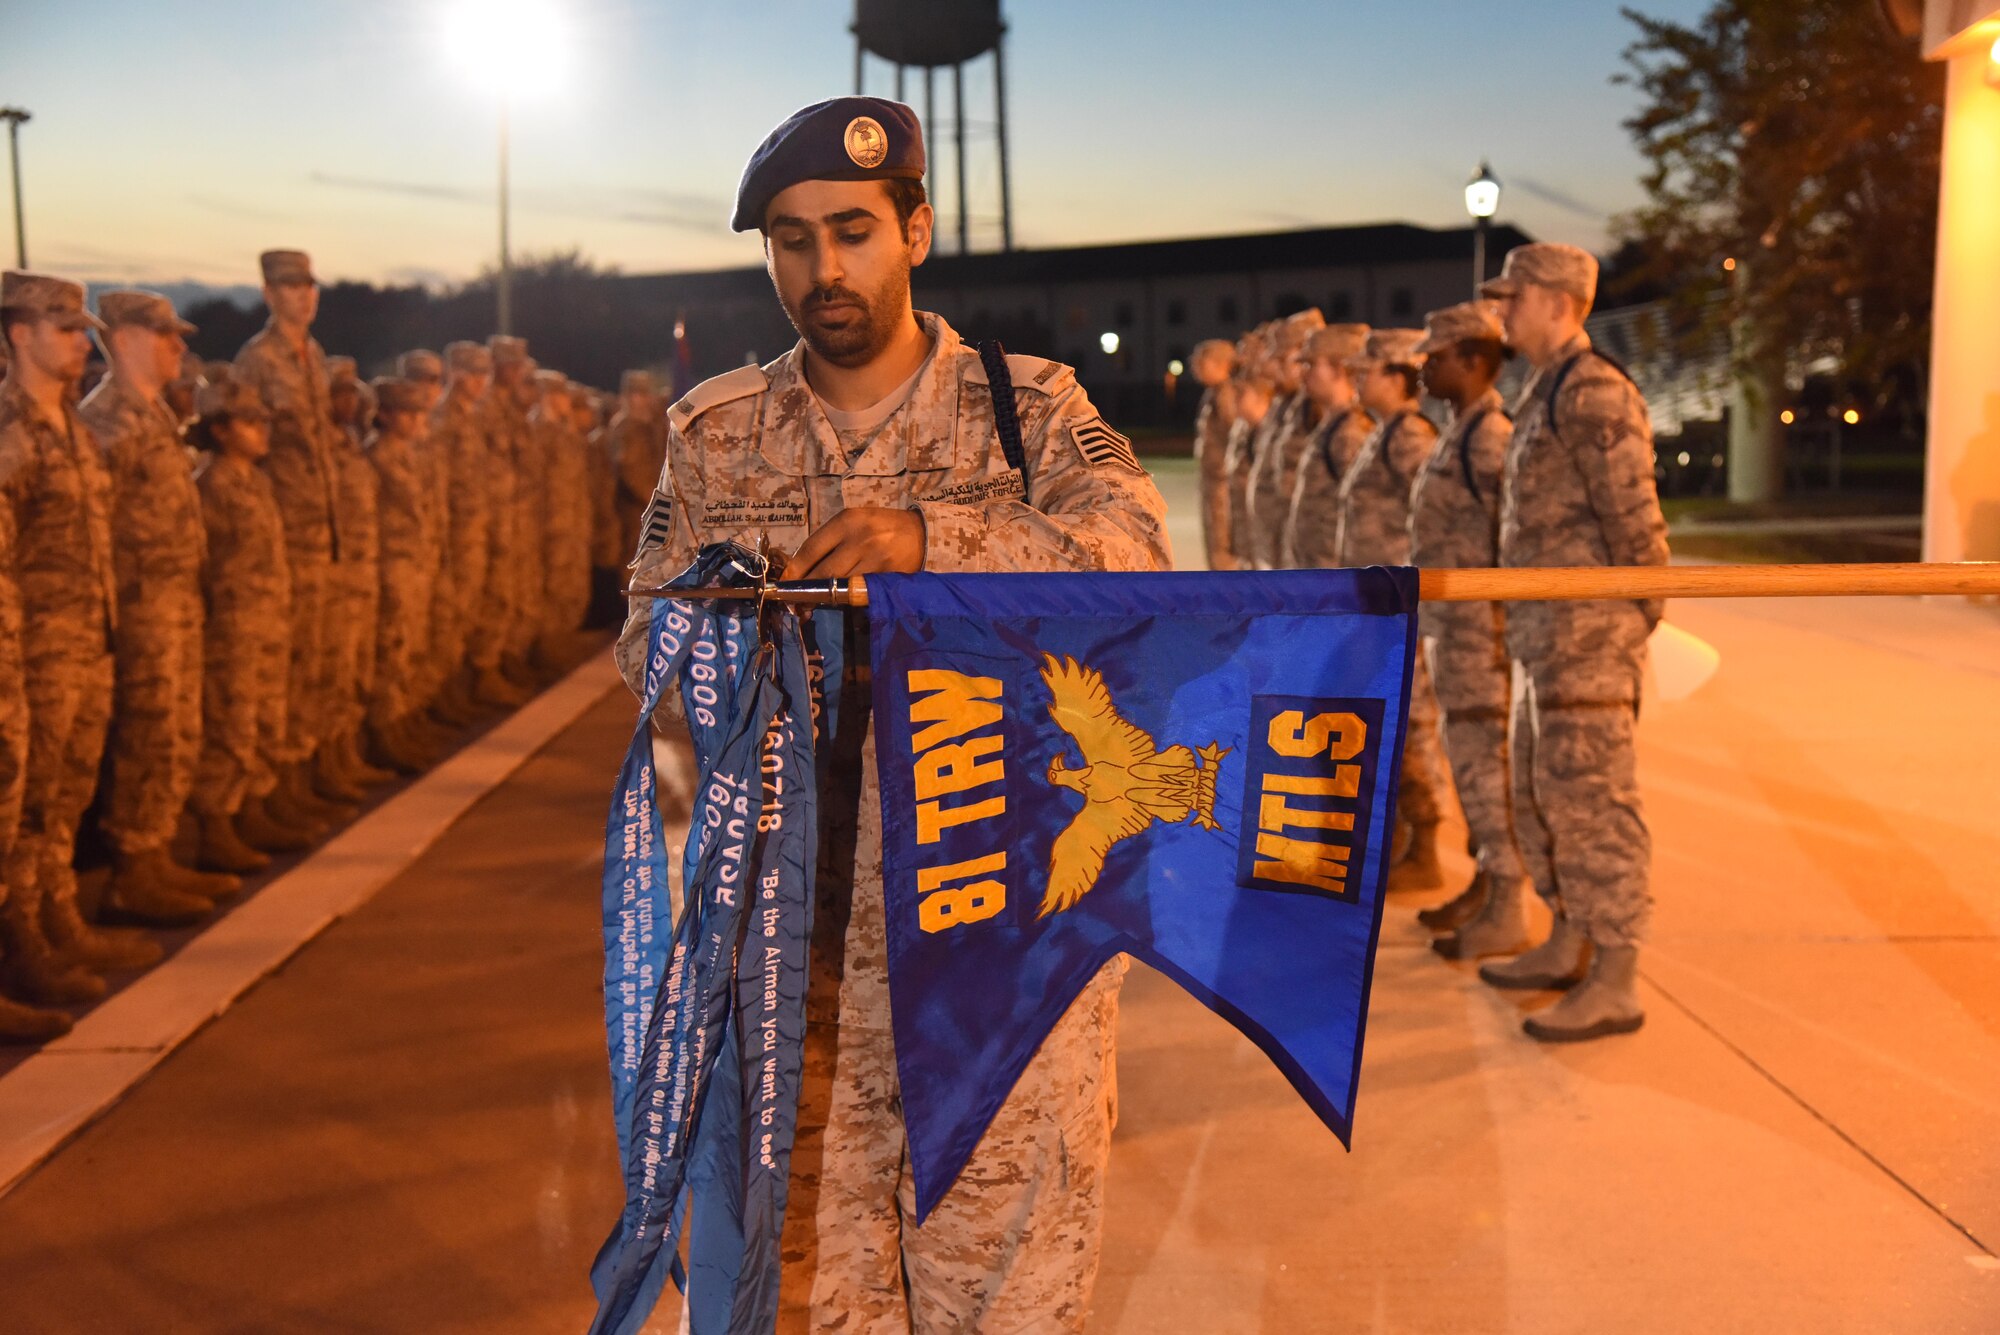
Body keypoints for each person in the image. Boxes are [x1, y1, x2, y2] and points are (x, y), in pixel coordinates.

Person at [618, 97, 1169, 1333]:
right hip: (788, 968)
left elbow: (1133, 557)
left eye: (852, 230)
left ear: (915, 228)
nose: (822, 268)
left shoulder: (1026, 412)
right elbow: (644, 644)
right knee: (813, 1297)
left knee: (1006, 1297)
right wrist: (721, 650)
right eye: (791, 238)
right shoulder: (717, 435)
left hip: (999, 948)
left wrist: (936, 544)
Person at [1478, 243, 1669, 1042]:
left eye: (1514, 297)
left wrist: (1634, 621)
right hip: (1544, 638)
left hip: (1587, 638)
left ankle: (1617, 975)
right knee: (1543, 793)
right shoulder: (1544, 389)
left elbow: (1637, 526)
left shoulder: (1593, 392)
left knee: (1594, 802)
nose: (1503, 311)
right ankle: (1569, 936)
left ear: (1559, 302)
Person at [0, 271, 170, 1010]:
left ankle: (56, 915)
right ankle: (21, 943)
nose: (79, 343)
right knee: (22, 802)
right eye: (65, 330)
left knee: (64, 795)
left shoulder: (68, 425)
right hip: (31, 652)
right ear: (19, 335)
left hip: (84, 642)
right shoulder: (11, 433)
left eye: (82, 330)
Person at [80, 291, 242, 900]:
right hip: (141, 610)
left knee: (174, 731)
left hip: (175, 607)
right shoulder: (105, 424)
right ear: (122, 340)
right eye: (164, 336)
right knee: (147, 734)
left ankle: (157, 852)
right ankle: (133, 870)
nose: (179, 346)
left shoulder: (151, 416)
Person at [1407, 302, 1530, 956]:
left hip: (1483, 637)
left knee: (1488, 769)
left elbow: (1517, 539)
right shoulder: (1457, 430)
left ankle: (1510, 901)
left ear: (1474, 360)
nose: (1424, 363)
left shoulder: (1491, 436)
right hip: (1453, 633)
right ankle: (1488, 881)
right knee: (1470, 765)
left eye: (1439, 353)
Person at [233, 250, 351, 830]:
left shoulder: (315, 358)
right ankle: (272, 788)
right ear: (268, 293)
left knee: (318, 661)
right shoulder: (256, 362)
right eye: (289, 286)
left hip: (321, 532)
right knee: (286, 666)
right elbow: (244, 450)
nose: (303, 295)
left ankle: (305, 773)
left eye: (308, 285)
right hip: (283, 534)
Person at [1334, 328, 1450, 894]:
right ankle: (1404, 838)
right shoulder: (1385, 434)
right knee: (1393, 720)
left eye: (1369, 370)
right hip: (1378, 605)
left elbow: (1432, 520)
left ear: (1398, 375)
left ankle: (1425, 845)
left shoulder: (1411, 436)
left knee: (1416, 722)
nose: (1357, 378)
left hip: (1402, 604)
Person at [189, 375, 299, 867]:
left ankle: (254, 807)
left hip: (265, 619)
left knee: (263, 718)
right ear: (219, 430)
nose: (262, 431)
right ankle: (217, 825)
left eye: (263, 421)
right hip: (231, 626)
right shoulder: (210, 486)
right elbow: (203, 563)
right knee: (229, 726)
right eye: (249, 422)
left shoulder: (255, 480)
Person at [363, 378, 443, 772]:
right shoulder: (376, 457)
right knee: (391, 650)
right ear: (384, 415)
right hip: (391, 565)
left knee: (411, 645)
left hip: (415, 563)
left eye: (418, 413)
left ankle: (405, 720)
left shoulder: (410, 455)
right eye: (406, 413)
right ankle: (386, 730)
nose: (414, 421)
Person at [324, 359, 394, 791]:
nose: (348, 400)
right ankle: (329, 763)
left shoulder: (351, 442)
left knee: (353, 666)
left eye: (353, 391)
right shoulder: (325, 448)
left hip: (362, 568)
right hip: (337, 576)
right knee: (332, 669)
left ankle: (345, 755)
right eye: (338, 392)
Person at [432, 341, 512, 711]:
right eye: (472, 374)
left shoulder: (476, 417)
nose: (480, 381)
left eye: (484, 374)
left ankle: (476, 679)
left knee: (482, 604)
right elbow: (439, 480)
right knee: (455, 613)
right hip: (457, 531)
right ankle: (450, 688)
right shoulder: (442, 418)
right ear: (455, 373)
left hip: (481, 525)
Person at [1280, 323, 1373, 569]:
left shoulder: (1352, 432)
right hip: (1315, 576)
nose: (1303, 373)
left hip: (1334, 579)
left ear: (1340, 368)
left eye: (1312, 364)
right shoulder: (1331, 424)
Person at [1241, 307, 1323, 568]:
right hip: (1278, 542)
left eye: (1281, 359)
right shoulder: (1290, 405)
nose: (1269, 367)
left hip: (1308, 553)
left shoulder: (1316, 411)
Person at [1187, 338, 1238, 569]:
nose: (1195, 367)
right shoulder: (1214, 392)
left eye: (1202, 362)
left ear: (1222, 364)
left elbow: (1234, 436)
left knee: (1222, 544)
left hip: (1222, 482)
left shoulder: (1226, 394)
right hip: (1214, 479)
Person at [607, 368, 667, 562]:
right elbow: (630, 473)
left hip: (653, 508)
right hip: (634, 512)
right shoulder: (624, 427)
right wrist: (656, 500)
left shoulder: (651, 425)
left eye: (645, 394)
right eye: (637, 394)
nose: (643, 400)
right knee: (635, 564)